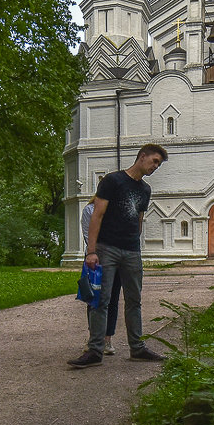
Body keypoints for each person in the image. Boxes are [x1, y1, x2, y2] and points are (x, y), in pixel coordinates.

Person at [68, 144, 168, 369]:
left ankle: (137, 347)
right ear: (142, 156)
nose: (155, 166)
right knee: (100, 300)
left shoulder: (145, 190)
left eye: (158, 164)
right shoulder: (113, 181)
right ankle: (95, 350)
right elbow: (97, 215)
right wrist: (91, 251)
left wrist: (133, 242)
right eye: (154, 161)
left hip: (131, 252)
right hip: (107, 249)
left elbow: (139, 220)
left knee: (134, 300)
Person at [81, 196, 122, 355]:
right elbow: (87, 235)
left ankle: (107, 339)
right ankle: (94, 338)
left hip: (116, 261)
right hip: (95, 261)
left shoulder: (118, 210)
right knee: (93, 298)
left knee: (112, 299)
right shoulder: (89, 210)